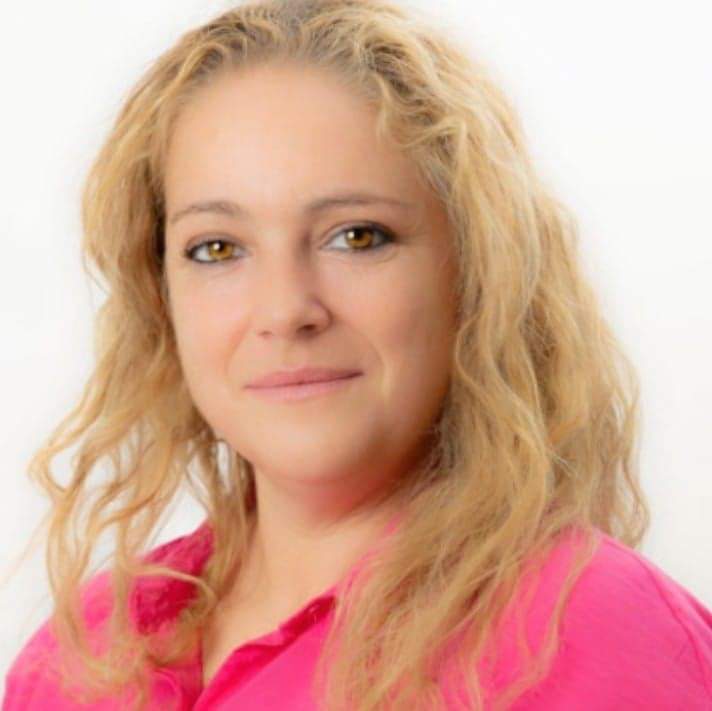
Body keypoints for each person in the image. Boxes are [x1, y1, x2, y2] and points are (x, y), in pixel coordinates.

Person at [3, 0, 711, 709]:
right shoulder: (81, 653)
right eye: (217, 248)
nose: (285, 311)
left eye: (357, 236)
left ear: (474, 274)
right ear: (160, 293)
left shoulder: (586, 631)